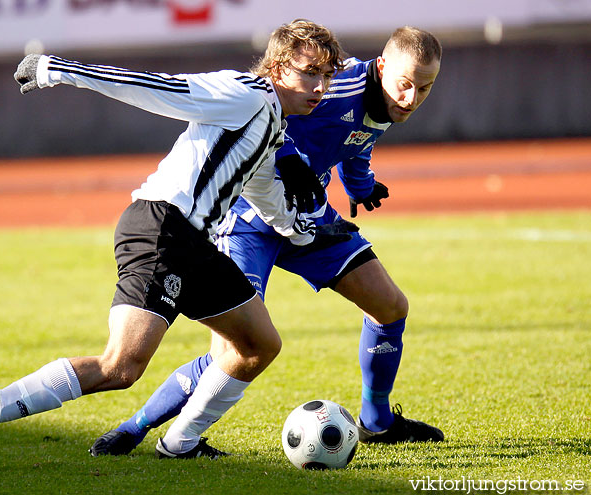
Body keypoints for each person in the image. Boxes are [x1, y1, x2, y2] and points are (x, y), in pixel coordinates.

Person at [0, 19, 348, 474]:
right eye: (310, 72)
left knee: (257, 344)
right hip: (162, 230)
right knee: (121, 366)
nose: (320, 86)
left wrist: (306, 231)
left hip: (194, 245)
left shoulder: (271, 122)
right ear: (276, 67)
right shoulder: (246, 92)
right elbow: (157, 87)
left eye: (328, 75)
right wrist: (58, 69)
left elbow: (264, 194)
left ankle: (181, 442)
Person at [90, 26, 445, 458]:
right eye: (406, 84)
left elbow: (356, 142)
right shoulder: (340, 83)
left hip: (307, 220)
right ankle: (135, 428)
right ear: (384, 66)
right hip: (248, 218)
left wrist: (361, 185)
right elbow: (267, 108)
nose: (411, 98)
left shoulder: (385, 101)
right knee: (236, 349)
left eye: (424, 88)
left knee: (390, 307)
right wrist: (289, 155)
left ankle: (376, 422)